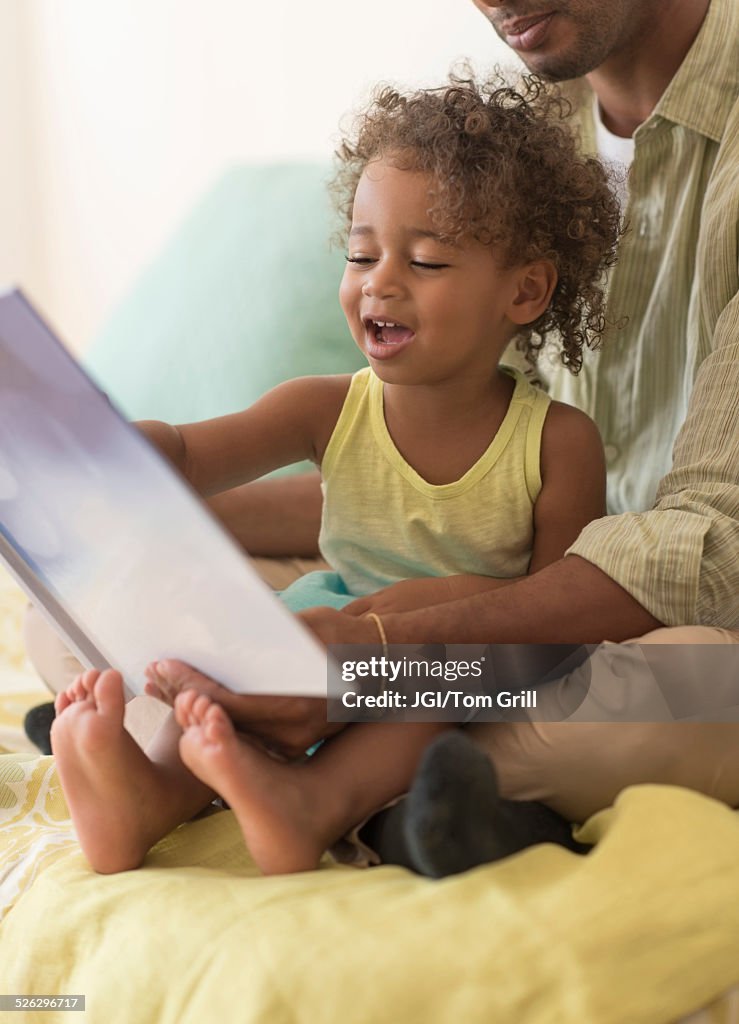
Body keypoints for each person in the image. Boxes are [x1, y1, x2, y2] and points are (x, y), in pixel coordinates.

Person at [139, 0, 739, 877]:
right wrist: (162, 517)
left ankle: (329, 777)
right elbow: (426, 491)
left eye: (421, 263)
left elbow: (712, 544)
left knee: (685, 694)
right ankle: (411, 793)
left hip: (662, 625)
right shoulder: (524, 126)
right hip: (491, 608)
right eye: (362, 256)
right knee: (101, 589)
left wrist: (390, 658)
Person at [49, 75, 620, 874]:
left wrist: (429, 609)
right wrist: (98, 449)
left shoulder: (558, 441)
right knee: (224, 675)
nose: (378, 281)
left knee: (424, 699)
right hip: (324, 618)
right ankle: (149, 796)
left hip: (449, 662)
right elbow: (187, 453)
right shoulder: (324, 408)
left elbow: (556, 617)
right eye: (360, 253)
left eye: (423, 260)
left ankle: (309, 805)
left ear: (523, 290)